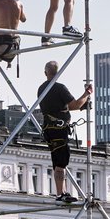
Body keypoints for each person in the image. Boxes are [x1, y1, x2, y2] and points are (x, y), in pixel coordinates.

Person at [38, 61, 92, 202]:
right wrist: (86, 93)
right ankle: (60, 194)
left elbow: (63, 107)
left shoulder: (41, 88)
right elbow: (74, 105)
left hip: (49, 129)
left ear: (45, 73)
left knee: (58, 160)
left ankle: (63, 192)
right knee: (61, 161)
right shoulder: (59, 88)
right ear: (58, 72)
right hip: (59, 129)